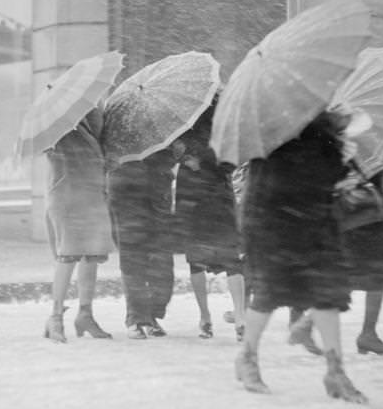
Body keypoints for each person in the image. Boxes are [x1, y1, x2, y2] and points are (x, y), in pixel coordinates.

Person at [235, 111, 366, 403]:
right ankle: (247, 357)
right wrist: (333, 165)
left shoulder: (322, 123)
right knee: (270, 292)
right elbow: (281, 176)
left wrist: (343, 166)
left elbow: (326, 171)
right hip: (273, 220)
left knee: (326, 293)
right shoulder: (272, 124)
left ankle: (336, 371)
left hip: (316, 220)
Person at [288, 156, 383, 357]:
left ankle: (366, 333)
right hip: (359, 213)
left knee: (371, 272)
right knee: (367, 271)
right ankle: (309, 324)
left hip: (352, 213)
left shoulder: (337, 139)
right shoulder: (352, 140)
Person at [43, 107, 117, 343]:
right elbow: (52, 153)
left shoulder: (94, 121)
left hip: (91, 196)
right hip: (67, 197)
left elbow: (99, 156)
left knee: (92, 255)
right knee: (68, 256)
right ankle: (55, 317)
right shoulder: (56, 125)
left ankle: (85, 314)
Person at [174, 102, 246, 341]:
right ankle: (240, 318)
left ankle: (205, 318)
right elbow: (231, 162)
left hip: (193, 198)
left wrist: (192, 160)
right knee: (231, 258)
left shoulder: (182, 117)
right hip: (219, 196)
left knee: (197, 261)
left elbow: (176, 153)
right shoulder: (226, 119)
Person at [108, 143, 181, 339]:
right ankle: (136, 318)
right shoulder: (117, 126)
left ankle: (152, 313)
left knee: (163, 264)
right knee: (133, 261)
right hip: (126, 196)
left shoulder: (162, 126)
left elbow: (173, 156)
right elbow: (107, 158)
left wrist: (175, 155)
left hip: (158, 197)